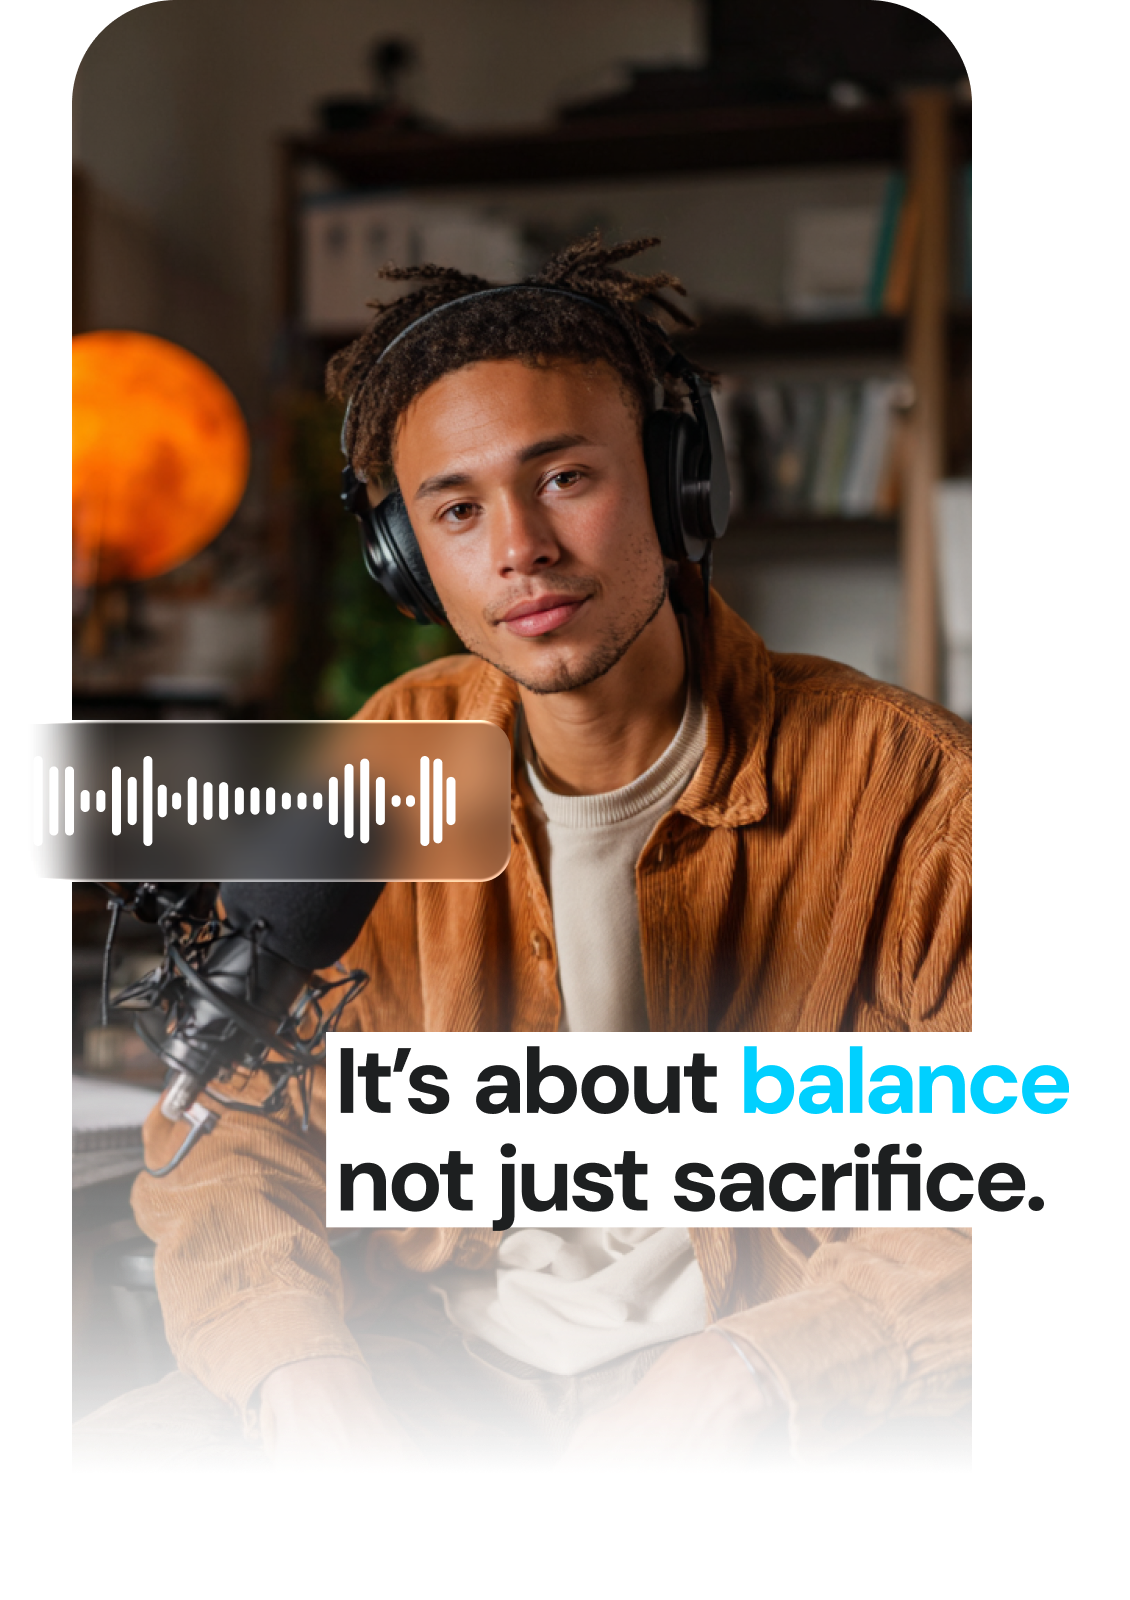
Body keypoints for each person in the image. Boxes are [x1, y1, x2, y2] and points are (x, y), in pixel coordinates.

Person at [72, 235, 971, 1472]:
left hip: (774, 1362)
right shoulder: (387, 760)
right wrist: (302, 1371)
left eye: (564, 477)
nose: (519, 547)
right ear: (406, 557)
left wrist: (748, 1370)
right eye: (456, 508)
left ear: (676, 481)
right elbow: (228, 1128)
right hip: (436, 1350)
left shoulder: (913, 789)